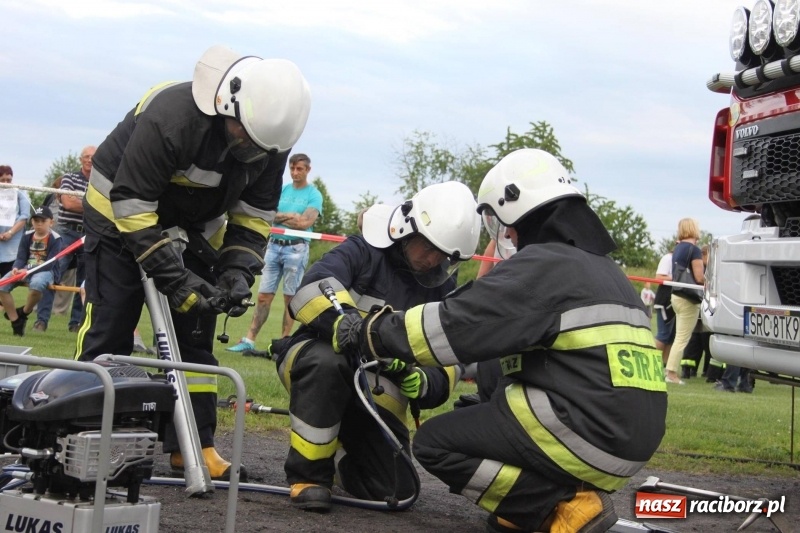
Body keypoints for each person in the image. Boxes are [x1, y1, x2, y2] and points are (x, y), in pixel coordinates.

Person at [334, 149, 668, 533]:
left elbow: (454, 324)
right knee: (491, 386)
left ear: (521, 209)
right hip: (630, 438)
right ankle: (530, 506)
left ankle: (561, 508)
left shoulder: (544, 266)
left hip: (586, 433)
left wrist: (369, 333)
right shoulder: (605, 271)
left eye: (504, 221)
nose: (507, 234)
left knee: (436, 443)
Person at [74, 44, 311, 481]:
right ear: (226, 107)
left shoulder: (267, 142)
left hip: (189, 225)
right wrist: (174, 279)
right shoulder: (173, 118)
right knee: (112, 327)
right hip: (118, 212)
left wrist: (237, 271)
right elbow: (133, 205)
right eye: (242, 136)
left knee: (196, 334)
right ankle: (85, 435)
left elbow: (253, 217)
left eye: (259, 147)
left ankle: (193, 444)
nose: (248, 151)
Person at [269, 180, 481, 512]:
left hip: (378, 386)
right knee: (328, 362)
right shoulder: (364, 250)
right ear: (406, 230)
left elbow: (449, 354)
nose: (432, 259)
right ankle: (309, 476)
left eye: (443, 254)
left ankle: (341, 451)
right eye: (427, 247)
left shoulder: (441, 284)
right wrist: (345, 322)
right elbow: (310, 288)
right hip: (318, 358)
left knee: (395, 491)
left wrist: (425, 381)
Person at [227, 153, 322, 352]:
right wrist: (289, 215)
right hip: (273, 246)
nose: (295, 173)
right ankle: (249, 340)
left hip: (296, 249)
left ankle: (284, 343)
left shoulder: (314, 195)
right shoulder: (284, 189)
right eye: (292, 169)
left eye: (300, 169)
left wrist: (280, 217)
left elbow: (305, 223)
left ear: (308, 170)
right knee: (263, 296)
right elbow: (269, 214)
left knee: (290, 299)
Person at [33, 146, 96, 333]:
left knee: (85, 280)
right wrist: (92, 204)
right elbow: (67, 203)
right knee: (53, 273)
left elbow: (104, 205)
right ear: (81, 159)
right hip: (67, 233)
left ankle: (76, 323)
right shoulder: (69, 177)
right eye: (86, 157)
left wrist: (80, 202)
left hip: (89, 233)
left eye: (94, 157)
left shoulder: (101, 181)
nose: (90, 160)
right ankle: (41, 320)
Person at [0, 206, 62, 336]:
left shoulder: (56, 239)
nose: (39, 224)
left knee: (37, 284)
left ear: (51, 222)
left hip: (45, 271)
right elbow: (21, 256)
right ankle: (16, 321)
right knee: (2, 286)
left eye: (43, 221)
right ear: (32, 222)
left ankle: (24, 312)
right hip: (24, 269)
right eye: (36, 221)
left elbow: (50, 264)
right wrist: (16, 267)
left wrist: (26, 270)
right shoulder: (27, 235)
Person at [665, 218, 704, 385]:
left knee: (678, 337)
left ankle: (670, 371)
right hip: (689, 298)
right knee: (682, 338)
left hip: (676, 295)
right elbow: (699, 277)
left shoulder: (678, 248)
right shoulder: (694, 250)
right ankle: (671, 373)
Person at [42, 175, 78, 316]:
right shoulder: (50, 199)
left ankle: (59, 311)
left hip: (69, 244)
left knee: (68, 277)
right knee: (49, 275)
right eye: (57, 190)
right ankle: (41, 309)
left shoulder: (73, 200)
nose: (58, 193)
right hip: (50, 248)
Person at [0, 166, 32, 278]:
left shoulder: (20, 192)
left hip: (13, 248)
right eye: (2, 180)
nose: (6, 183)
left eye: (8, 180)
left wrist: (10, 233)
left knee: (5, 285)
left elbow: (24, 216)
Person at [652, 250, 675, 368]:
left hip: (674, 301)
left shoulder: (680, 261)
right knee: (663, 334)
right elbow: (659, 277)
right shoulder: (668, 258)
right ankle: (652, 363)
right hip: (664, 301)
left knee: (671, 337)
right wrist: (678, 277)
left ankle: (664, 365)